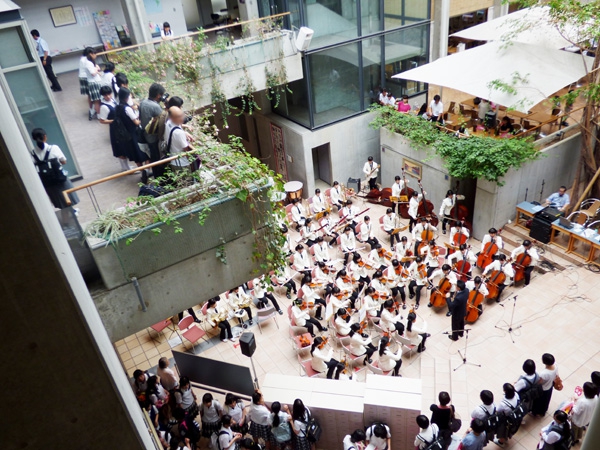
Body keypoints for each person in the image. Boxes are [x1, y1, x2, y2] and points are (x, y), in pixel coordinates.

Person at [30, 128, 79, 212]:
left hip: (47, 183)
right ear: (45, 137)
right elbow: (63, 161)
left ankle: (71, 212)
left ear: (33, 139)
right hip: (60, 179)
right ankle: (72, 214)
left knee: (59, 201)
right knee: (68, 197)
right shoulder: (54, 148)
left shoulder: (32, 153)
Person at [115, 88, 149, 174]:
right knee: (144, 152)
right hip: (134, 133)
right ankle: (147, 170)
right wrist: (141, 119)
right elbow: (136, 123)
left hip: (126, 134)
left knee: (135, 154)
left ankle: (142, 172)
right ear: (126, 97)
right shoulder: (127, 108)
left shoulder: (118, 107)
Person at [140, 83, 168, 179]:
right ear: (158, 95)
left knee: (153, 157)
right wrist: (166, 105)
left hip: (146, 135)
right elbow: (165, 118)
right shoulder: (155, 107)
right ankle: (159, 178)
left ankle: (156, 175)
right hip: (154, 138)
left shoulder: (143, 102)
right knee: (158, 159)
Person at [164, 106, 194, 172]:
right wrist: (192, 163)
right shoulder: (179, 133)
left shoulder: (168, 122)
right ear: (172, 118)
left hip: (172, 158)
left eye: (182, 115)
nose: (182, 118)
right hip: (182, 163)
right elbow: (186, 150)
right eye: (178, 116)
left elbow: (178, 126)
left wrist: (185, 132)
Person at [494, 383, 521, 447]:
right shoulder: (516, 395)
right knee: (509, 430)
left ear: (505, 391)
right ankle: (507, 437)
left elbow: (497, 410)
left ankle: (501, 442)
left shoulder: (503, 404)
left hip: (506, 420)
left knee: (503, 431)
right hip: (515, 416)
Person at [83, 49, 103, 119]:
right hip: (94, 83)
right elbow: (93, 73)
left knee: (98, 100)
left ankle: (96, 114)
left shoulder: (90, 62)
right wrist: (96, 69)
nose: (96, 55)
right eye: (95, 54)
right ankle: (99, 115)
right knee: (97, 101)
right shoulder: (88, 63)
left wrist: (96, 68)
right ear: (91, 54)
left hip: (94, 82)